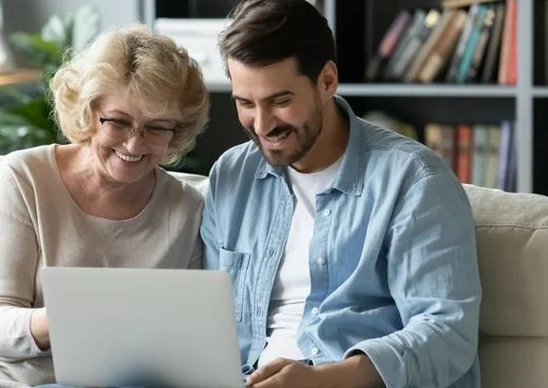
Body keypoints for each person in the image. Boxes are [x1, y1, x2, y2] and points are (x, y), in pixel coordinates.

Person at [201, 1, 482, 387]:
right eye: (245, 103)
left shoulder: (413, 180)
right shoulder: (232, 176)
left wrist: (324, 381)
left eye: (280, 101)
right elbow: (211, 321)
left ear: (327, 81)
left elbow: (447, 334)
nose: (262, 125)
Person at [0, 24, 209, 388]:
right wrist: (69, 315)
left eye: (155, 128)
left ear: (177, 130)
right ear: (89, 113)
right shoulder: (25, 176)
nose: (134, 145)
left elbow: (188, 334)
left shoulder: (186, 207)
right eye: (118, 122)